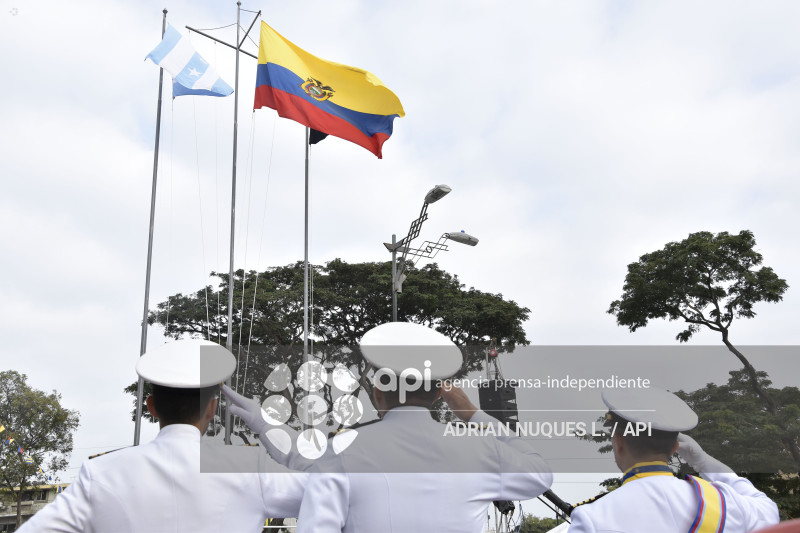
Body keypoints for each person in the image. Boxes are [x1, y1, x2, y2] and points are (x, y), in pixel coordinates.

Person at [226, 321, 553, 533]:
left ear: (378, 391)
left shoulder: (344, 451)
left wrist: (264, 422)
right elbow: (539, 475)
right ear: (439, 393)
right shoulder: (481, 450)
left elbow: (301, 458)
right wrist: (471, 413)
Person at [19, 339, 306, 533]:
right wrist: (270, 428)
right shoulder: (250, 466)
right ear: (212, 408)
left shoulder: (100, 473)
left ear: (152, 407)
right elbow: (328, 485)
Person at [569, 387, 780, 533]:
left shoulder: (593, 518)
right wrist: (703, 461)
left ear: (618, 441)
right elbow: (769, 512)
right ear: (675, 447)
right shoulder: (725, 503)